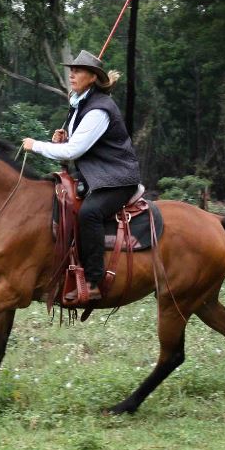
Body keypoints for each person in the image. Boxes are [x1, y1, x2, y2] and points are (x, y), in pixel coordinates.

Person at [22, 50, 141, 301]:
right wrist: (63, 138)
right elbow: (76, 143)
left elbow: (76, 150)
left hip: (117, 179)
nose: (72, 74)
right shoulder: (80, 104)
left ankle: (94, 282)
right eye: (72, 69)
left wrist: (38, 145)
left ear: (92, 78)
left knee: (90, 213)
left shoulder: (99, 109)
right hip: (97, 176)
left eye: (79, 71)